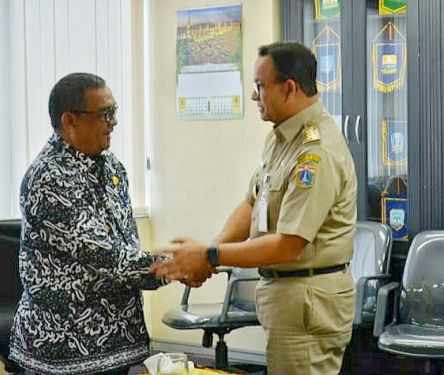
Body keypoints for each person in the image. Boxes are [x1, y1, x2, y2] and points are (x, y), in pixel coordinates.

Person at [151, 41, 358, 375]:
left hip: (307, 301)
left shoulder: (315, 152)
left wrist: (210, 255)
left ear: (290, 88)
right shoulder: (280, 138)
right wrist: (211, 252)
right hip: (288, 300)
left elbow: (289, 244)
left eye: (260, 87)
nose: (253, 96)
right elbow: (252, 202)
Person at [9, 73, 168, 375]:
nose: (114, 122)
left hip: (116, 339)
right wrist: (175, 266)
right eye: (105, 114)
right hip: (66, 348)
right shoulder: (49, 179)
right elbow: (105, 255)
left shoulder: (112, 168)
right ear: (70, 121)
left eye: (114, 111)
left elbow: (125, 243)